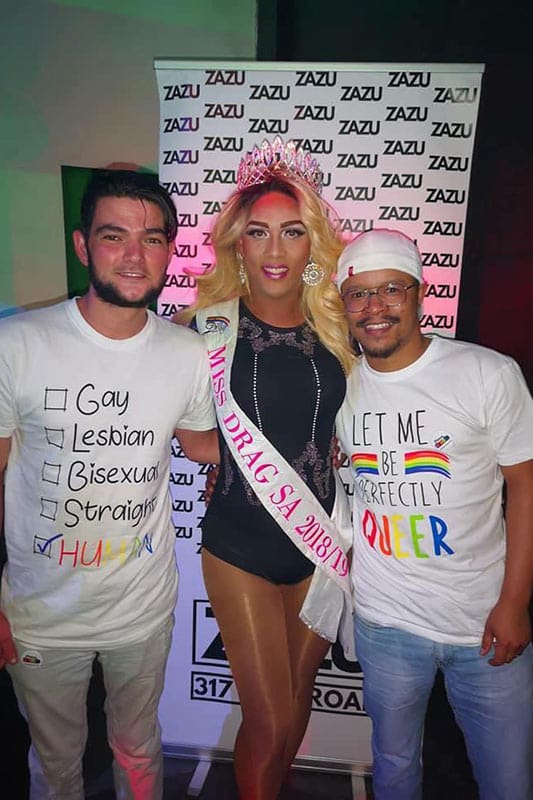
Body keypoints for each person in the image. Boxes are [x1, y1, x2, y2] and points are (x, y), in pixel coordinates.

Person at [0, 169, 218, 799]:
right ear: (82, 245)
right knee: (56, 764)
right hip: (41, 613)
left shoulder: (187, 353)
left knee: (139, 748)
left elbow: (204, 446)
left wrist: (310, 445)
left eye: (152, 239)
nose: (133, 256)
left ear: (169, 251)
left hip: (140, 607)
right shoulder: (17, 345)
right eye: (113, 235)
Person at [180, 137, 355, 799]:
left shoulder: (339, 329)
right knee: (270, 716)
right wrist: (234, 454)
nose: (275, 249)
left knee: (295, 707)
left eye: (292, 232)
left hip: (319, 546)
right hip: (240, 543)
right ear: (238, 245)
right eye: (258, 232)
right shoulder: (204, 330)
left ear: (312, 246)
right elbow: (189, 434)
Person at [335, 228, 533, 800]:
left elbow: (525, 486)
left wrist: (515, 603)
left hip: (482, 622)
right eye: (359, 294)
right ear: (343, 305)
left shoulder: (486, 373)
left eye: (391, 289)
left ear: (420, 293)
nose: (375, 307)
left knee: (508, 780)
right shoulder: (339, 386)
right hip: (385, 622)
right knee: (395, 767)